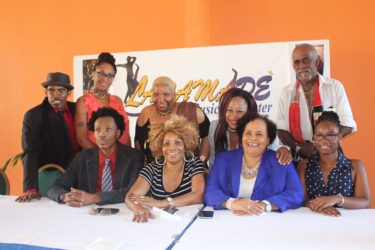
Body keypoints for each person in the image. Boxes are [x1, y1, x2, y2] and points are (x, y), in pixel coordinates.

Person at [205, 113, 304, 214]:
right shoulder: (223, 159)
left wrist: (266, 205)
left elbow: (297, 195)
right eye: (248, 133)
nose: (253, 138)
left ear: (268, 140)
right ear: (241, 136)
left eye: (259, 134)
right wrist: (232, 203)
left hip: (267, 222)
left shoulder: (281, 161)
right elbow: (210, 192)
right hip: (229, 221)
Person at [277, 43, 356, 162]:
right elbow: (281, 130)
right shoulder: (286, 92)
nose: (301, 66)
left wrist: (319, 143)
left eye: (306, 60)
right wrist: (298, 147)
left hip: (330, 155)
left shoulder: (334, 87)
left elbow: (348, 124)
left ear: (317, 62)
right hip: (299, 156)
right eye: (297, 62)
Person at [48, 107, 143, 206]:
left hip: (122, 211)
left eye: (108, 130)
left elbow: (132, 191)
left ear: (117, 133)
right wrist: (65, 197)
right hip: (88, 213)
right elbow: (56, 187)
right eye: (98, 130)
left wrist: (94, 198)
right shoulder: (82, 158)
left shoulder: (133, 157)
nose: (102, 134)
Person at [126, 115, 205, 222]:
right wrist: (138, 208)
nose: (172, 148)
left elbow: (198, 195)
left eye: (177, 142)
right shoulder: (152, 168)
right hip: (157, 222)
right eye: (166, 144)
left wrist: (162, 203)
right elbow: (130, 197)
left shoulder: (194, 163)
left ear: (186, 145)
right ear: (160, 147)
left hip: (188, 222)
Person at [17, 72, 79, 202]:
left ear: (68, 93)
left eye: (61, 90)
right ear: (46, 92)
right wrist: (31, 189)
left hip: (81, 174)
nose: (55, 94)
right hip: (54, 178)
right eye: (51, 90)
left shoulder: (78, 110)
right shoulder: (33, 115)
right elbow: (30, 152)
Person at [298, 111, 371, 216]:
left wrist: (336, 199)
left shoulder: (355, 166)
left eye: (330, 135)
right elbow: (301, 200)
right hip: (314, 222)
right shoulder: (304, 165)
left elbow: (365, 202)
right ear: (314, 138)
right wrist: (320, 206)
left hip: (346, 223)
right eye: (319, 135)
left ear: (340, 137)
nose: (324, 140)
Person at [135, 76, 210, 164]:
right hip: (153, 172)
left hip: (188, 171)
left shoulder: (190, 110)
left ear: (175, 95)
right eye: (156, 95)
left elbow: (208, 134)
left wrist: (202, 160)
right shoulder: (146, 113)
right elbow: (138, 143)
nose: (160, 99)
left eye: (166, 94)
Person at [208, 87, 292, 167]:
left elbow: (278, 149)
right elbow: (213, 162)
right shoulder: (215, 127)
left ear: (249, 112)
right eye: (229, 110)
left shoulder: (262, 127)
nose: (233, 116)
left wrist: (283, 151)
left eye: (239, 111)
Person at [75, 52, 130, 149]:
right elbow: (81, 139)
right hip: (96, 160)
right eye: (100, 74)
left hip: (123, 158)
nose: (104, 79)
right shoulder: (83, 102)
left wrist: (127, 157)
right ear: (93, 74)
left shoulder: (118, 101)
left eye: (110, 76)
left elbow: (126, 135)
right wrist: (104, 158)